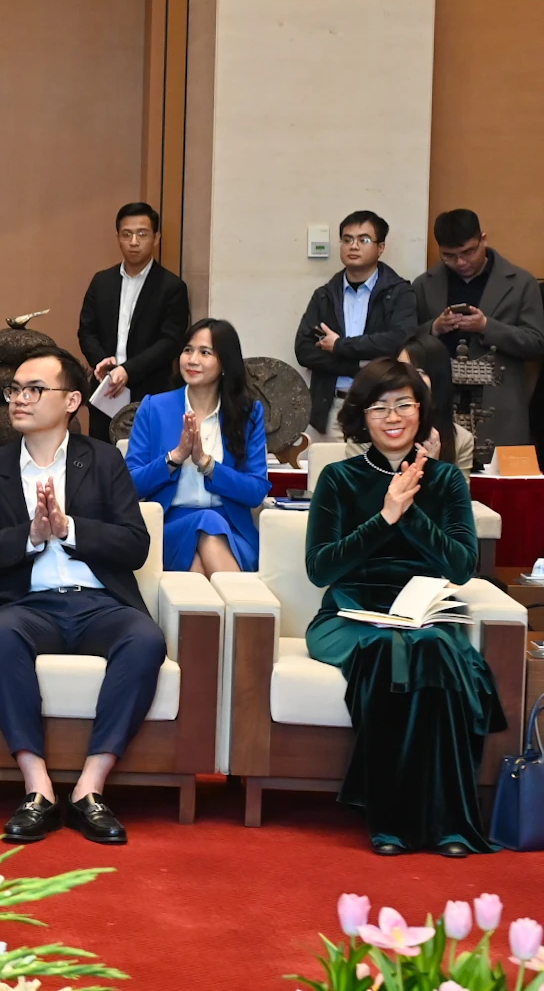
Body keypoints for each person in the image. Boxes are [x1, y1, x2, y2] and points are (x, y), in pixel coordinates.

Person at [0, 346, 165, 847]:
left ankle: (90, 789)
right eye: (15, 390)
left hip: (99, 604)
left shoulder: (104, 460)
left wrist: (67, 528)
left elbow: (136, 545)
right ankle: (39, 789)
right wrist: (30, 536)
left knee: (145, 640)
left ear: (72, 400)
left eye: (34, 389)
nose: (19, 399)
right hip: (28, 607)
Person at [305, 359, 499, 856]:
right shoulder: (339, 478)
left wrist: (410, 514)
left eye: (404, 405)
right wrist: (385, 516)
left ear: (420, 411)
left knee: (433, 648)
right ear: (362, 417)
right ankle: (388, 820)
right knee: (386, 649)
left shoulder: (447, 481)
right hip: (351, 613)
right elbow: (322, 569)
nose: (392, 417)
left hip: (426, 611)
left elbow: (461, 567)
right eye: (379, 407)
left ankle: (450, 824)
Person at [125, 318, 269, 574]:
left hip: (232, 528)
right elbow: (129, 487)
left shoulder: (248, 413)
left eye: (205, 353)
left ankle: (221, 613)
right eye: (187, 350)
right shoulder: (154, 408)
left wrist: (207, 463)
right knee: (206, 526)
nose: (192, 360)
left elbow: (256, 491)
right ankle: (244, 609)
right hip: (169, 526)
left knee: (201, 560)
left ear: (224, 362)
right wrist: (175, 457)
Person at [412, 208, 544, 455]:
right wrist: (434, 328)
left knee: (504, 489)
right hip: (440, 406)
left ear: (483, 239)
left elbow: (536, 342)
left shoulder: (521, 282)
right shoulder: (424, 284)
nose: (460, 262)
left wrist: (487, 327)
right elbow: (406, 342)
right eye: (449, 256)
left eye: (468, 252)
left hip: (500, 408)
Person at [293, 210, 417, 440]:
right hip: (334, 407)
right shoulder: (325, 296)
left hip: (383, 406)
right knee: (328, 473)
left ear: (380, 248)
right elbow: (304, 350)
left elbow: (399, 340)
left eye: (364, 240)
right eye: (347, 239)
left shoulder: (400, 293)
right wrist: (357, 365)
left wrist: (340, 346)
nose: (354, 246)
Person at [77, 202, 192, 441]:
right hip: (105, 389)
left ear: (156, 237)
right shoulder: (102, 281)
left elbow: (171, 341)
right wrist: (103, 363)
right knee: (101, 459)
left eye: (142, 234)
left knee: (145, 463)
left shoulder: (172, 287)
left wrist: (128, 371)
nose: (134, 241)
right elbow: (86, 330)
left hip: (151, 391)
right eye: (126, 234)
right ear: (118, 237)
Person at [396, 333, 470, 468]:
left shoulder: (461, 440)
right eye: (403, 370)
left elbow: (459, 489)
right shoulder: (372, 434)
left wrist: (432, 469)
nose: (408, 380)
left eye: (419, 372)